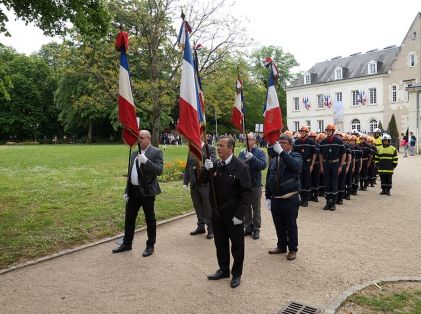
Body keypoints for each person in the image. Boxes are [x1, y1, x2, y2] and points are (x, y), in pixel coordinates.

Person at [203, 136, 251, 289]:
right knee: (220, 243)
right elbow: (203, 182)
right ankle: (223, 269)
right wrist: (206, 169)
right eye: (217, 145)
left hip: (233, 214)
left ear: (231, 148)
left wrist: (240, 214)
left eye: (221, 145)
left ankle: (236, 273)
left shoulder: (240, 166)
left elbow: (246, 193)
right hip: (217, 213)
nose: (218, 148)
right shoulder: (216, 164)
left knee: (237, 246)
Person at [112, 130, 163, 257]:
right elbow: (130, 173)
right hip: (134, 191)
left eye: (141, 137)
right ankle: (127, 243)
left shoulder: (156, 152)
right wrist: (127, 190)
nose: (139, 140)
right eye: (138, 138)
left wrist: (146, 161)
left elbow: (159, 170)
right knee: (129, 218)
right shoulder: (134, 152)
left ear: (148, 139)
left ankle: (150, 245)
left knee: (150, 219)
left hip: (147, 191)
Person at [265, 134, 302, 261]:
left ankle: (292, 249)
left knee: (290, 224)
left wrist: (282, 153)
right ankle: (281, 245)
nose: (280, 145)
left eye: (283, 143)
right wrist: (268, 197)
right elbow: (269, 177)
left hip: (289, 198)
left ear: (290, 144)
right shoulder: (275, 159)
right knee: (278, 224)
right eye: (279, 143)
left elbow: (295, 167)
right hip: (276, 198)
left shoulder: (295, 156)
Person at [183, 141, 216, 239]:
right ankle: (200, 226)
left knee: (207, 207)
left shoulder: (209, 148)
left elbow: (214, 161)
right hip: (194, 183)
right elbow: (188, 165)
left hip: (205, 183)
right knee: (197, 206)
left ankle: (211, 229)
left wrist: (200, 152)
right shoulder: (191, 150)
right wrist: (185, 181)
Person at [238, 133, 267, 240]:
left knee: (256, 208)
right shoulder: (242, 152)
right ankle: (248, 226)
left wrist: (253, 158)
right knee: (245, 207)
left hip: (255, 185)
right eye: (246, 139)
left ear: (254, 141)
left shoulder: (260, 152)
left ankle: (256, 228)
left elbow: (263, 165)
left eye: (249, 139)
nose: (247, 141)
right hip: (244, 185)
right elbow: (238, 166)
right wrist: (244, 160)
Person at [319, 124, 345, 211]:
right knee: (327, 183)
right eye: (327, 130)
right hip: (326, 164)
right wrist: (322, 166)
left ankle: (333, 203)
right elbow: (321, 154)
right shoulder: (323, 142)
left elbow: (343, 154)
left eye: (330, 130)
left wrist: (341, 165)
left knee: (334, 183)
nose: (328, 132)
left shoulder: (339, 141)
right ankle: (328, 202)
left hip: (335, 164)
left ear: (333, 131)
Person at [293, 126, 316, 207]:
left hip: (307, 164)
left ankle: (306, 199)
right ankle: (301, 198)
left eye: (303, 131)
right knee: (300, 181)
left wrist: (312, 165)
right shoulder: (297, 142)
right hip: (300, 164)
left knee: (307, 181)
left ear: (306, 132)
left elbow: (314, 154)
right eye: (301, 131)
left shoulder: (311, 142)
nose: (302, 132)